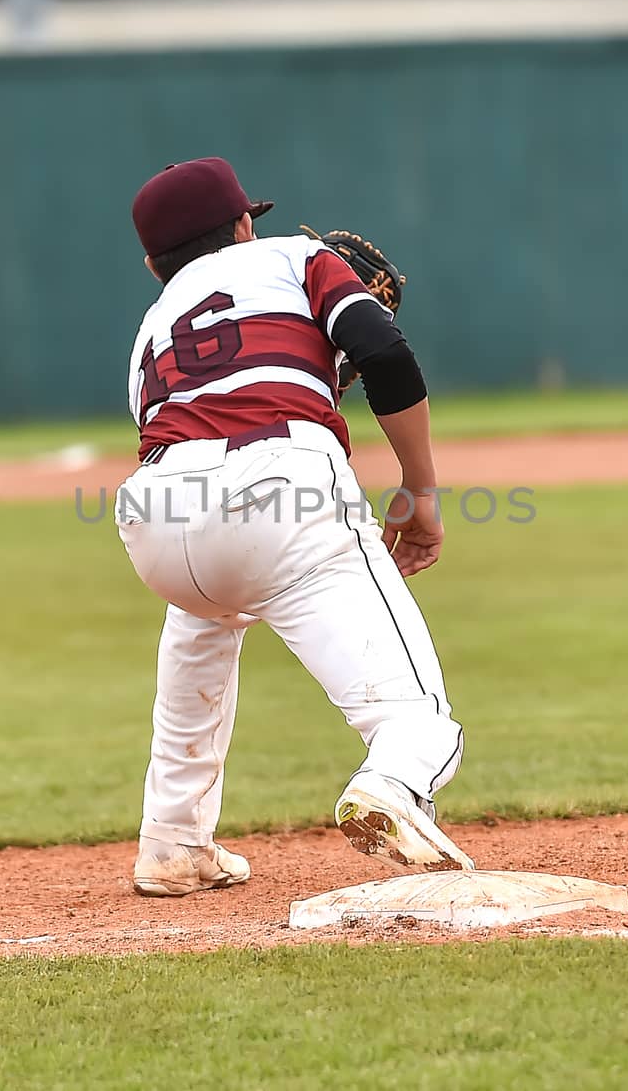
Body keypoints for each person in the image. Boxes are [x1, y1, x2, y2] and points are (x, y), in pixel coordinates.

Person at [117, 156, 471, 897]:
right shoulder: (296, 256)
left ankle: (173, 842)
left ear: (155, 265)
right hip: (280, 489)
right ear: (245, 225)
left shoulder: (151, 329)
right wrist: (420, 491)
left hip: (152, 513)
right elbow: (385, 353)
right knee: (421, 721)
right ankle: (397, 783)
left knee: (203, 616)